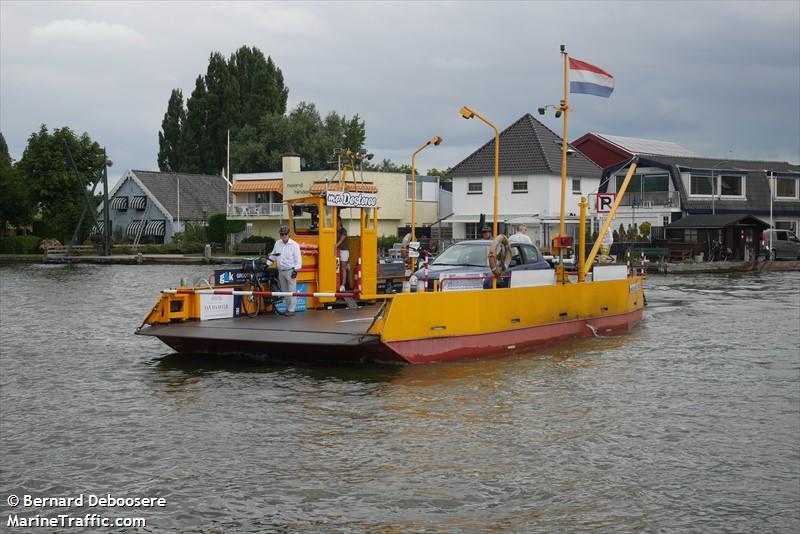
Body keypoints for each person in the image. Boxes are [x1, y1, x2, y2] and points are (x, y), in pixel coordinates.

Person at [267, 225, 302, 316]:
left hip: (290, 271)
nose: (283, 236)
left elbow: (298, 259)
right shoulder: (277, 243)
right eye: (282, 234)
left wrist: (296, 270)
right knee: (284, 291)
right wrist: (267, 264)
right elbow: (273, 255)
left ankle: (291, 310)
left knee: (291, 290)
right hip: (281, 271)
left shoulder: (294, 245)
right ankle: (289, 308)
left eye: (285, 234)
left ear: (288, 234)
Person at [336, 218, 350, 291]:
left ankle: (343, 285)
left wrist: (335, 246)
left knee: (343, 268)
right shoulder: (334, 230)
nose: (336, 222)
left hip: (344, 251)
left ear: (340, 221)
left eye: (337, 221)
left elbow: (341, 240)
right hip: (336, 251)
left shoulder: (343, 230)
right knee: (337, 268)